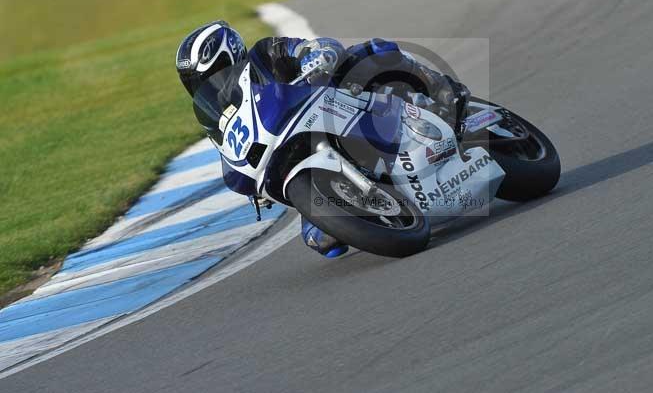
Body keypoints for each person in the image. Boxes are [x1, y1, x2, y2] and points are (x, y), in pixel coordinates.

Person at [176, 20, 469, 258]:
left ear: (229, 56)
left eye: (213, 74)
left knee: (370, 53)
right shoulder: (222, 118)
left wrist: (315, 55)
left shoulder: (263, 55)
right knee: (323, 241)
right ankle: (375, 199)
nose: (206, 85)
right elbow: (232, 151)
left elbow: (305, 47)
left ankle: (441, 89)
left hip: (332, 97)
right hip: (293, 140)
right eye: (197, 83)